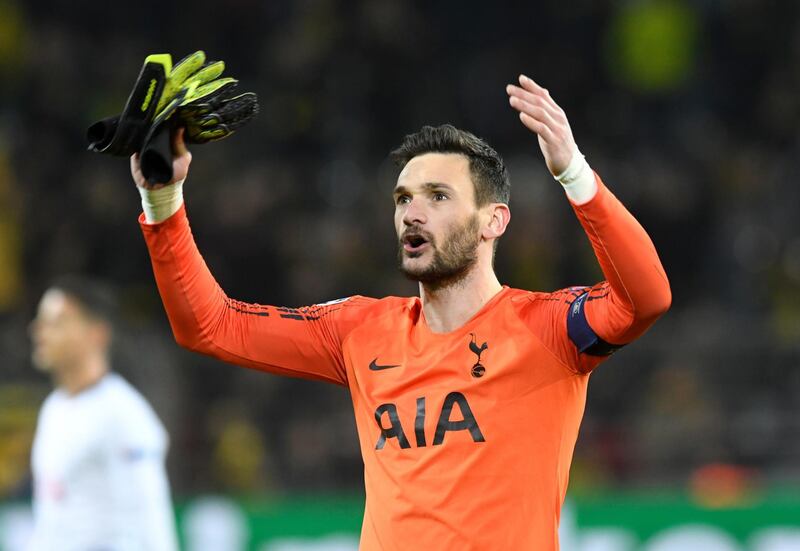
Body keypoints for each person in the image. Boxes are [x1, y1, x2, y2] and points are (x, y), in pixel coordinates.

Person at [131, 75, 671, 550]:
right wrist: (163, 199)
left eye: (437, 196)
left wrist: (574, 174)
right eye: (402, 198)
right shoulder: (361, 331)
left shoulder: (547, 329)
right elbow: (212, 325)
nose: (412, 213)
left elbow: (645, 299)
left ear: (493, 221)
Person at [27, 276, 179, 551]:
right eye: (40, 321)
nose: (40, 331)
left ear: (96, 333)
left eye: (56, 322)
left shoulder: (121, 413)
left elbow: (151, 516)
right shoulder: (54, 409)